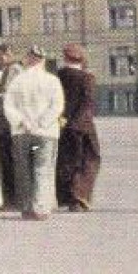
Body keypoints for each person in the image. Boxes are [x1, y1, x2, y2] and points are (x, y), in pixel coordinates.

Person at [2, 45, 66, 220]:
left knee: (23, 170)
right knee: (43, 169)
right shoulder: (52, 80)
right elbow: (57, 106)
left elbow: (8, 105)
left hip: (21, 132)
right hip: (45, 133)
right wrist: (41, 122)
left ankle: (26, 207)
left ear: (28, 59)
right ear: (42, 60)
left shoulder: (17, 80)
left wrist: (22, 122)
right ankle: (41, 207)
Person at [55, 43, 102, 211]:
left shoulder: (58, 76)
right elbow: (87, 103)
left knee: (66, 161)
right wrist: (78, 123)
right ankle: (79, 197)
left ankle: (65, 197)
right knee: (89, 160)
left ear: (65, 58)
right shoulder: (87, 78)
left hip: (61, 125)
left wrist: (61, 120)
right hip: (82, 126)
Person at [0, 44, 21, 209]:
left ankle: (12, 200)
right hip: (4, 124)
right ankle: (11, 199)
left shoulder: (13, 70)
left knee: (8, 163)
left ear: (7, 54)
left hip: (7, 125)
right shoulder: (9, 71)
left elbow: (4, 96)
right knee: (7, 163)